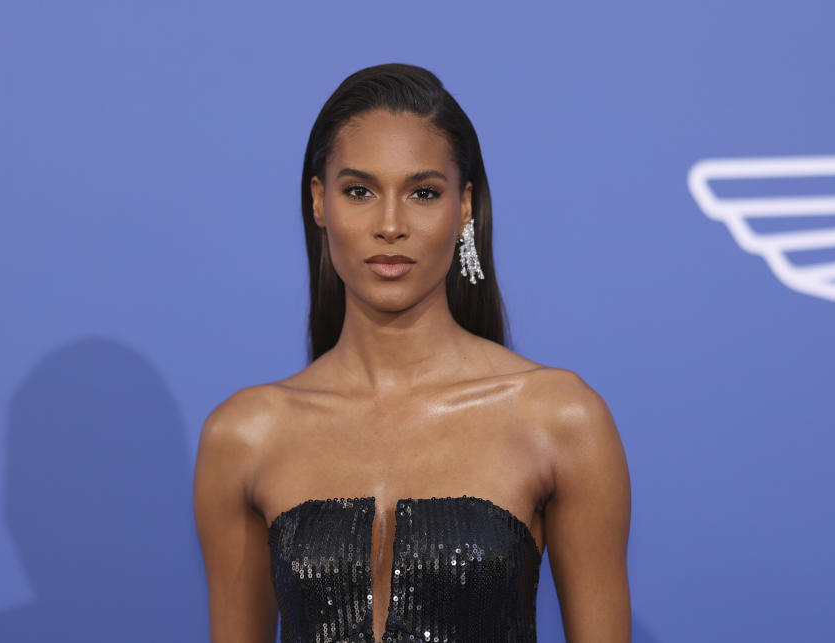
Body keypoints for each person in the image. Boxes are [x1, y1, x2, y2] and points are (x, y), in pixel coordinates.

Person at [193, 62, 631, 643]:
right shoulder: (245, 436)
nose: (391, 224)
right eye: (359, 191)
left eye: (423, 192)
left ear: (465, 206)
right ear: (320, 202)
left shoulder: (560, 419)